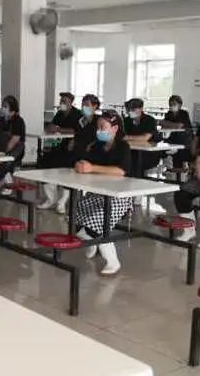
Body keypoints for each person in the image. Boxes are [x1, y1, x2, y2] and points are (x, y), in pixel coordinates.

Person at [74, 110, 132, 276]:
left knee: (95, 226)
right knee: (76, 216)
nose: (99, 130)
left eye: (102, 127)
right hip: (98, 193)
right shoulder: (97, 146)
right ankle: (93, 243)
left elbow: (121, 171)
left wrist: (92, 168)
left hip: (118, 196)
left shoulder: (123, 147)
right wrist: (82, 164)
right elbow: (88, 163)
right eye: (98, 127)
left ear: (115, 128)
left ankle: (112, 261)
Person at [38, 94, 100, 214]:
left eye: (87, 105)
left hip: (89, 153)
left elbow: (99, 137)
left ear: (95, 106)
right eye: (83, 104)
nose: (84, 107)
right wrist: (73, 140)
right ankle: (51, 198)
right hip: (76, 149)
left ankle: (62, 202)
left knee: (70, 168)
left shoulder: (98, 120)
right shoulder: (81, 120)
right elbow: (77, 133)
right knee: (47, 161)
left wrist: (92, 144)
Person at [123, 98, 161, 177]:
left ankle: (135, 179)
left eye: (133, 109)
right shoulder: (126, 121)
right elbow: (121, 136)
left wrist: (127, 137)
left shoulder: (149, 120)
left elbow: (145, 138)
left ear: (141, 109)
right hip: (131, 151)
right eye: (128, 109)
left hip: (148, 153)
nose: (130, 112)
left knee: (134, 161)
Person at [161, 95, 192, 169]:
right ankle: (169, 167)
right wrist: (172, 125)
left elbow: (179, 125)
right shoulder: (169, 113)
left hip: (184, 138)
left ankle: (183, 165)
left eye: (174, 104)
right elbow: (163, 124)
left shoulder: (184, 113)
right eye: (170, 104)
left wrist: (168, 124)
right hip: (172, 137)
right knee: (163, 146)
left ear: (180, 105)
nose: (171, 106)